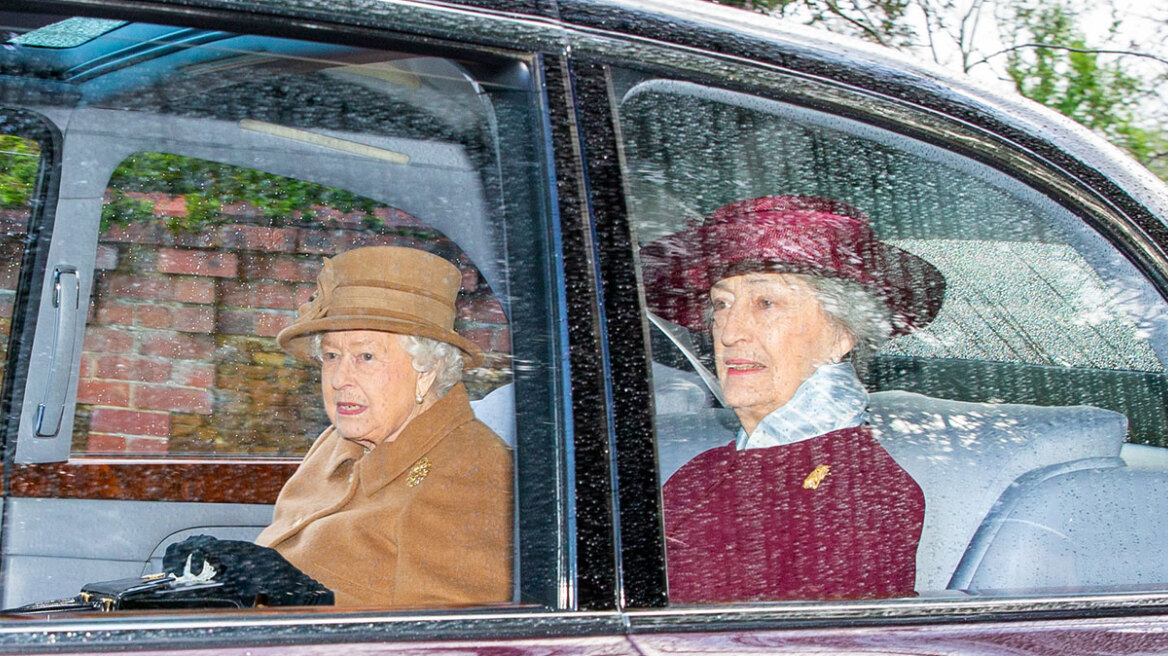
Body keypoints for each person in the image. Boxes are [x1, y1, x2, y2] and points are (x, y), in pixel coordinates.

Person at [164, 246, 513, 608]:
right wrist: (222, 573)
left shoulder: (475, 470)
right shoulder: (337, 442)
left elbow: (451, 639)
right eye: (331, 356)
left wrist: (304, 596)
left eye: (366, 356)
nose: (339, 379)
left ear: (427, 371)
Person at [640, 195, 945, 603]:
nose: (729, 333)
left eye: (766, 303)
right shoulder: (701, 471)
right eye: (721, 304)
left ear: (843, 334)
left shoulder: (862, 492)